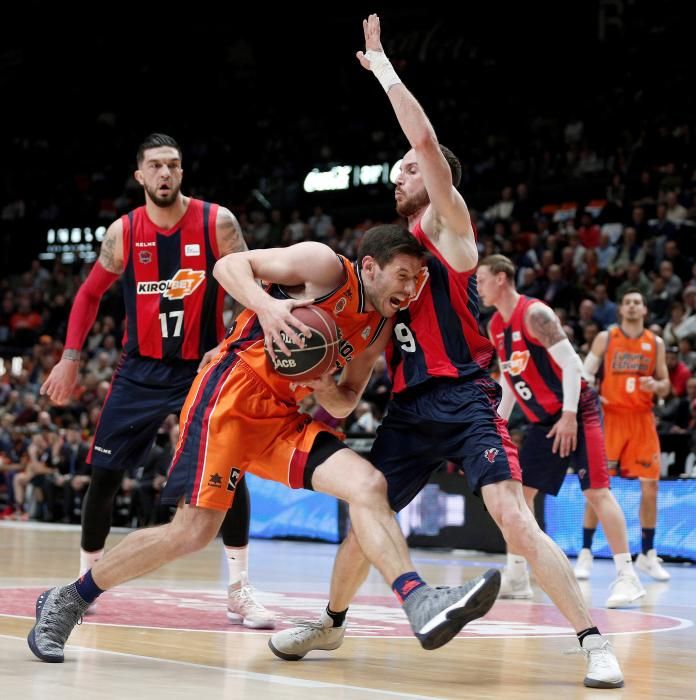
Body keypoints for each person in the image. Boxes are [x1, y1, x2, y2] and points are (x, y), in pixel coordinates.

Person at [268, 14, 623, 690]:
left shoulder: (448, 227)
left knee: (512, 515)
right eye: (400, 170)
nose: (398, 174)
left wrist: (383, 69)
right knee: (363, 517)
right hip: (409, 406)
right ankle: (333, 621)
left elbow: (425, 139)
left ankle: (590, 640)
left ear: (435, 180)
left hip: (463, 395)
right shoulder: (392, 254)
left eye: (407, 169)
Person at [28, 224, 503, 664]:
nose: (411, 289)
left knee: (369, 484)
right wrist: (268, 306)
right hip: (230, 398)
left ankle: (417, 598)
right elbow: (227, 266)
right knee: (191, 533)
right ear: (372, 268)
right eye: (404, 276)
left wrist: (321, 386)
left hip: (282, 418)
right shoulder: (324, 266)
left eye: (419, 279)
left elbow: (344, 403)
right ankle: (70, 598)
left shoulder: (378, 329)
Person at [39, 133, 274, 628]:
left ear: (182, 172)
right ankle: (84, 585)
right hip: (139, 370)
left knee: (228, 470)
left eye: (173, 165)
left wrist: (231, 340)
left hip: (202, 367)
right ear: (140, 176)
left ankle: (239, 587)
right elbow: (86, 296)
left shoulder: (218, 222)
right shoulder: (123, 233)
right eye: (155, 166)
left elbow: (255, 286)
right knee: (103, 476)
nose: (165, 173)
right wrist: (70, 358)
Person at [476, 254, 644, 608]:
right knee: (518, 497)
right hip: (543, 419)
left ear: (502, 279)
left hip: (577, 410)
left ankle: (627, 576)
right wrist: (498, 423)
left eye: (482, 279)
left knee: (597, 492)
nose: (478, 287)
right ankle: (518, 576)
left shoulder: (536, 314)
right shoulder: (495, 327)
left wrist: (570, 416)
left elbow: (572, 364)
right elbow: (509, 378)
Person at [580, 290, 671, 582]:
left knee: (651, 488)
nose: (632, 306)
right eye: (628, 302)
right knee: (598, 488)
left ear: (645, 309)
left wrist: (656, 387)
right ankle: (585, 552)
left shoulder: (655, 343)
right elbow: (584, 374)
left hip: (642, 420)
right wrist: (593, 391)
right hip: (612, 420)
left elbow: (666, 384)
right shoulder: (606, 338)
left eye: (637, 303)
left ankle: (647, 553)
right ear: (621, 309)